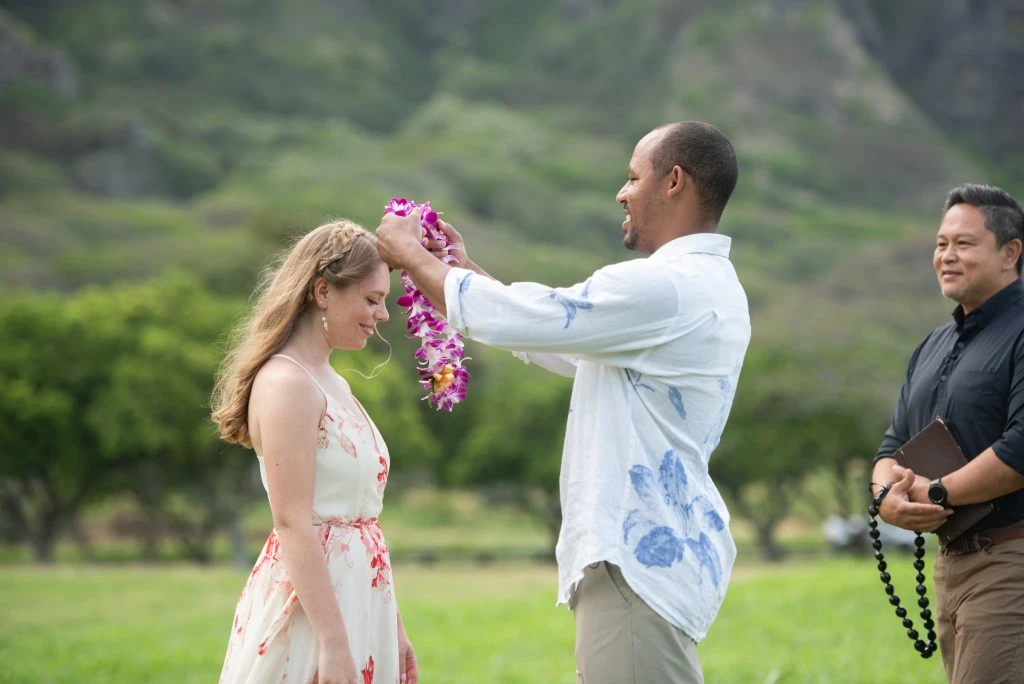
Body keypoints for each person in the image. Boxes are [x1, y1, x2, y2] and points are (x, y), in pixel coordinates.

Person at [376, 121, 750, 684]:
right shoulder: (706, 283)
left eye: (632, 177)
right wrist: (457, 270)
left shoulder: (666, 285)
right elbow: (561, 338)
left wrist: (410, 255)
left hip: (634, 562)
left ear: (674, 181)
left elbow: (539, 318)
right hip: (649, 561)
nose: (621, 193)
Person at [211, 220, 418, 684]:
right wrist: (333, 642)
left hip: (362, 599)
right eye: (371, 299)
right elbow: (292, 522)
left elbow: (361, 523)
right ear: (322, 291)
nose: (383, 315)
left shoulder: (334, 382)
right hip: (315, 612)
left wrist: (392, 625)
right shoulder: (287, 383)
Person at [871, 184, 1024, 684]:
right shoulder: (932, 344)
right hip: (950, 564)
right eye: (941, 244)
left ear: (1010, 253)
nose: (947, 256)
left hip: (1010, 560)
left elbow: (1020, 446)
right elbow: (892, 445)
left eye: (963, 243)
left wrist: (937, 493)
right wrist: (886, 499)